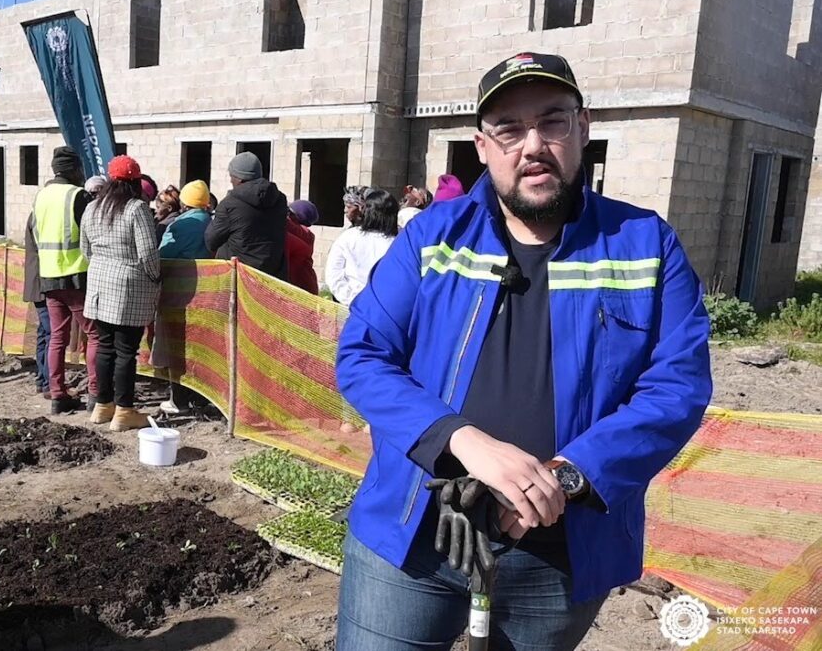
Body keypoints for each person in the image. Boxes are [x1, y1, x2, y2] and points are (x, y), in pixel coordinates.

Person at [334, 52, 712, 650]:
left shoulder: (646, 246)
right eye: (509, 128)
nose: (531, 144)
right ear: (483, 146)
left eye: (552, 121)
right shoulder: (433, 237)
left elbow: (676, 388)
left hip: (559, 555)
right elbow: (363, 354)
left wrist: (565, 478)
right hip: (414, 535)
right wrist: (464, 442)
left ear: (583, 128)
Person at [81, 155, 162, 431]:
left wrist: (103, 267)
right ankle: (125, 410)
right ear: (135, 181)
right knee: (126, 350)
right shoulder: (136, 208)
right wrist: (155, 277)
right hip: (130, 286)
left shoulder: (92, 208)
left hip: (99, 283)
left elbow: (85, 250)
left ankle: (103, 406)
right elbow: (148, 252)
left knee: (105, 346)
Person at [29, 146, 100, 414]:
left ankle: (57, 394)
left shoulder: (41, 196)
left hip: (48, 276)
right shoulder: (77, 195)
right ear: (74, 169)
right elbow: (90, 233)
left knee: (57, 336)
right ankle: (95, 392)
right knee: (94, 334)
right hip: (76, 275)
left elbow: (35, 233)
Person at [155, 179, 213, 415]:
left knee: (178, 347)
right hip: (208, 292)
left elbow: (163, 255)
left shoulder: (180, 225)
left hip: (178, 293)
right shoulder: (211, 222)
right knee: (202, 347)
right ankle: (200, 398)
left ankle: (178, 399)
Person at [205, 152, 288, 281]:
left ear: (239, 179)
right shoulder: (280, 199)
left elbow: (211, 241)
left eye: (231, 176)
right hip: (273, 278)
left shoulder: (230, 204)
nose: (230, 180)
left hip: (240, 280)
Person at [324, 189, 399, 305]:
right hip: (385, 309)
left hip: (350, 308)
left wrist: (350, 299)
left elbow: (333, 274)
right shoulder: (399, 242)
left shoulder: (348, 237)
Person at [285, 200, 319, 295]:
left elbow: (288, 225)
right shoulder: (303, 233)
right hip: (301, 284)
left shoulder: (306, 234)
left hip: (302, 287)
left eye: (290, 213)